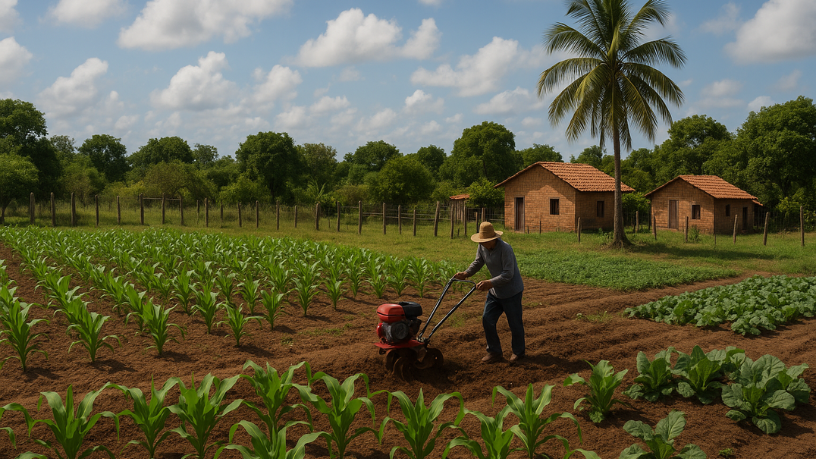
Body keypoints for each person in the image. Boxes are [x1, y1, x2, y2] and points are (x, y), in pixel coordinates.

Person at [454, 221, 525, 363]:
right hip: (495, 293)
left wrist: (489, 282)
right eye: (482, 241)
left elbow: (508, 274)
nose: (483, 244)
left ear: (494, 239)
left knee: (515, 323)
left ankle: (518, 352)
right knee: (487, 319)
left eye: (486, 241)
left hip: (511, 292)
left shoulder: (506, 249)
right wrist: (466, 273)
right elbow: (478, 261)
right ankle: (494, 351)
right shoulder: (482, 246)